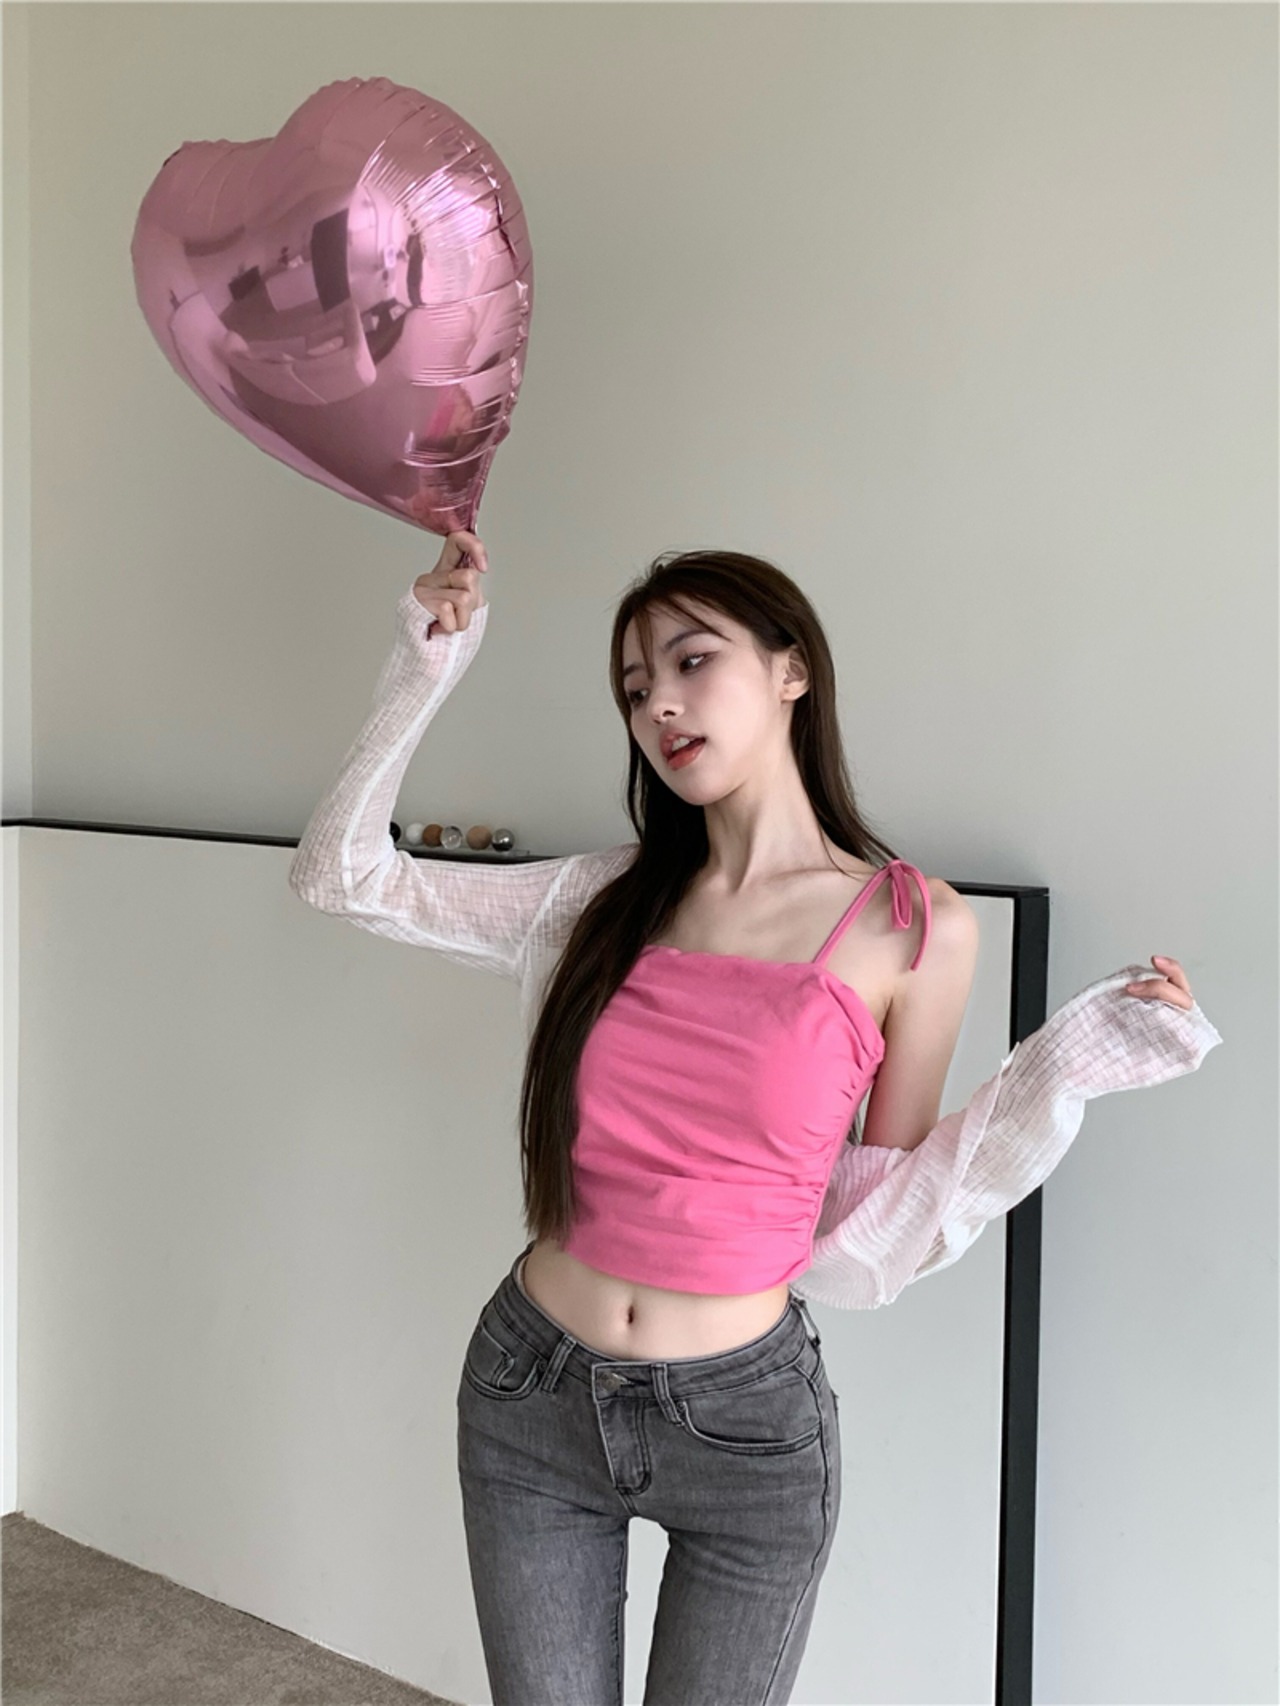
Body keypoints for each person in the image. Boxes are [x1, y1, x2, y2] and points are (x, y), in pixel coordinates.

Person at [289, 528, 1207, 1706]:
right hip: (530, 1392)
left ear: (791, 669)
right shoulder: (600, 899)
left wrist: (1068, 1064)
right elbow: (339, 874)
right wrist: (425, 662)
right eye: (634, 689)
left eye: (690, 661)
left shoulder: (911, 925)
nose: (658, 706)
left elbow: (882, 1213)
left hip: (745, 1429)